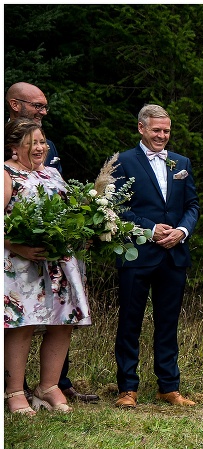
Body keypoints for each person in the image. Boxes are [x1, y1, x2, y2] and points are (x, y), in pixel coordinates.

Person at [6, 82, 99, 403]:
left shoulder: (52, 174)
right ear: (14, 147)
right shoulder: (7, 174)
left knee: (62, 322)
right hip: (20, 264)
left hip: (58, 265)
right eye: (32, 143)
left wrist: (84, 230)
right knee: (23, 325)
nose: (40, 147)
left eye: (43, 142)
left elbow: (68, 211)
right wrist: (16, 246)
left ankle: (49, 386)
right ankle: (15, 391)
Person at [112, 104, 200, 409]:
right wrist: (150, 229)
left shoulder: (181, 162)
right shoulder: (123, 162)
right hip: (138, 254)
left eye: (166, 130)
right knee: (130, 322)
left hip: (174, 254)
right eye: (156, 130)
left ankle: (169, 387)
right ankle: (127, 388)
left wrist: (182, 231)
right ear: (141, 128)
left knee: (168, 323)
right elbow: (118, 207)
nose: (162, 135)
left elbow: (192, 205)